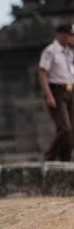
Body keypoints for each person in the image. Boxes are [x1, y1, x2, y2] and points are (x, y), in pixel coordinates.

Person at [38, 23, 74, 161]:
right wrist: (48, 95)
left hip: (71, 90)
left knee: (71, 131)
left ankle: (65, 158)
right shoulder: (50, 51)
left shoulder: (69, 52)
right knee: (65, 128)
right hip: (57, 92)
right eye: (70, 36)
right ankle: (49, 155)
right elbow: (42, 74)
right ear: (62, 35)